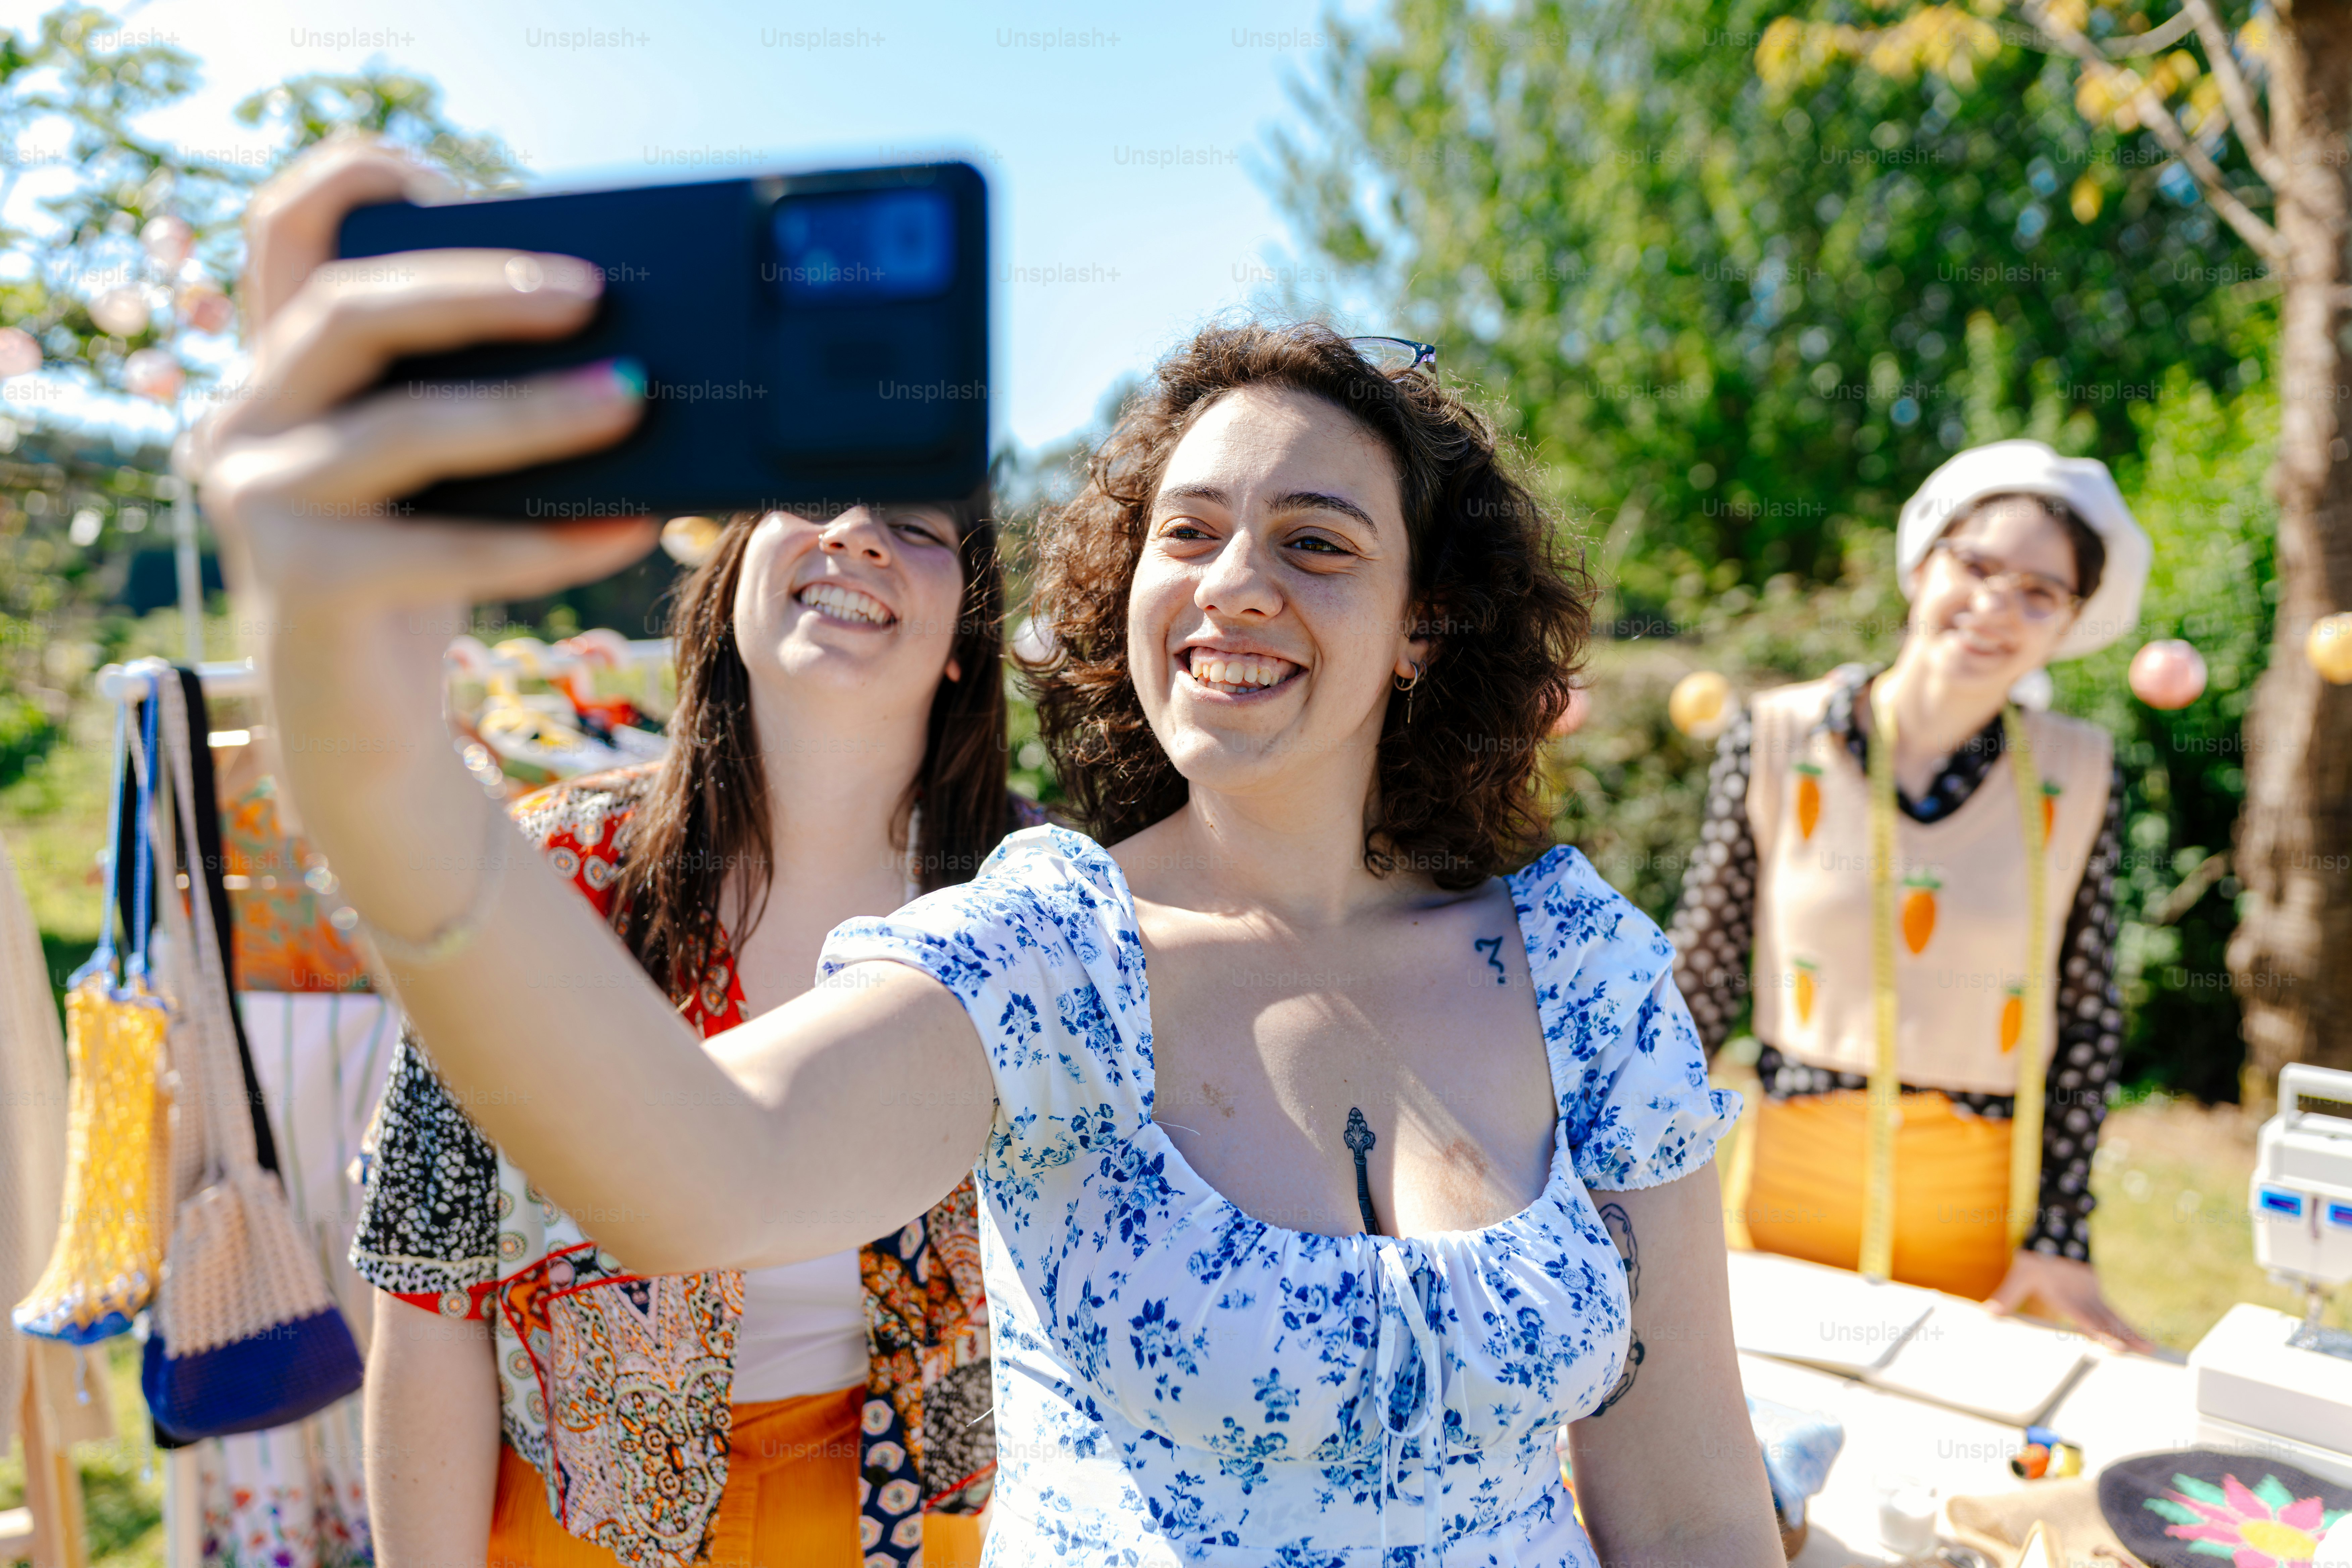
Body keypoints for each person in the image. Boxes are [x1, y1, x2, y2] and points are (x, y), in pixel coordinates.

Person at [200, 142, 1781, 1566]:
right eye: (1189, 530)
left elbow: (1697, 1512)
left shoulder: (1585, 966)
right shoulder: (1051, 945)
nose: (1236, 580)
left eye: (1318, 539)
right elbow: (699, 1173)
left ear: (1425, 626)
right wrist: (376, 747)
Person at [349, 502, 1026, 1568]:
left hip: (918, 1528)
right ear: (733, 577)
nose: (854, 535)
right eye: (811, 500)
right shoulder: (537, 875)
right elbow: (428, 1285)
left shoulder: (1040, 904)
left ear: (965, 640)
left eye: (914, 523)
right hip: (577, 1524)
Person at [1667, 438, 2154, 1349]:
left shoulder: (2081, 772)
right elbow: (1696, 982)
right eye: (1976, 567)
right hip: (1786, 1201)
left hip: (1980, 1227)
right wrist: (1629, 1192)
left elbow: (2087, 1015)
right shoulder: (1774, 737)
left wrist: (2061, 1236)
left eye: (2039, 593)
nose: (1995, 607)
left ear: (2070, 621)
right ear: (1923, 566)